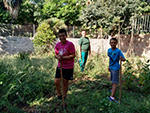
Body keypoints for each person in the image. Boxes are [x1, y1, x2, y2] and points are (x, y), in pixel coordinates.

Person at [54, 29, 75, 99]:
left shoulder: (70, 44)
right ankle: (59, 95)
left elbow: (73, 55)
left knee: (65, 82)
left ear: (66, 36)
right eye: (60, 36)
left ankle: (64, 96)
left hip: (68, 66)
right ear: (58, 37)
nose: (62, 37)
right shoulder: (57, 45)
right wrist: (58, 57)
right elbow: (55, 54)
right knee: (56, 81)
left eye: (63, 36)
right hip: (60, 66)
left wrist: (64, 57)